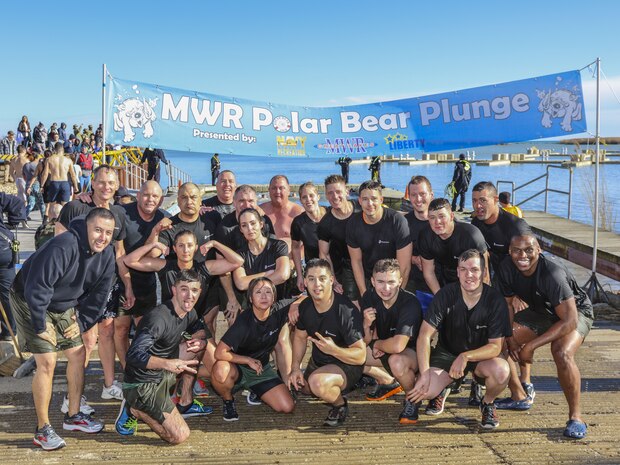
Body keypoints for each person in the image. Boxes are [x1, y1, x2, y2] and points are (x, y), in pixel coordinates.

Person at [10, 208, 116, 450]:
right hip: (30, 298)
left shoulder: (107, 254)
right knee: (47, 361)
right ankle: (42, 429)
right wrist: (39, 324)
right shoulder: (65, 245)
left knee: (78, 353)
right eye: (98, 230)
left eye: (108, 232)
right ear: (87, 227)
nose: (102, 237)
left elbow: (99, 296)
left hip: (63, 302)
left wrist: (81, 323)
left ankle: (73, 415)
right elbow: (38, 286)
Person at [124, 230, 243, 413]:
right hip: (170, 328)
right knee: (174, 359)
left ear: (196, 247)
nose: (185, 249)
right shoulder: (166, 266)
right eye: (180, 245)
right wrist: (154, 245)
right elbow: (129, 261)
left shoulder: (204, 267)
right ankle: (163, 394)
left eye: (189, 245)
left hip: (195, 326)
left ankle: (186, 399)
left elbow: (237, 262)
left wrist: (215, 244)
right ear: (174, 248)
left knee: (223, 374)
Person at [496, 234, 594, 439]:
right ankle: (518, 396)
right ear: (509, 251)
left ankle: (576, 417)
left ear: (538, 250)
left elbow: (569, 321)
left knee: (561, 352)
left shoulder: (552, 274)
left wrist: (530, 346)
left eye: (529, 250)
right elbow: (506, 305)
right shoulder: (506, 266)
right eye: (516, 250)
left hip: (575, 312)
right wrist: (511, 339)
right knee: (500, 340)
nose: (522, 255)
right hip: (542, 311)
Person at [407, 249, 511, 429]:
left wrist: (465, 356)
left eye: (474, 270)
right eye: (463, 269)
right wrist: (424, 374)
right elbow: (424, 335)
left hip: (480, 357)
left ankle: (487, 403)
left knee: (502, 371)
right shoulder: (445, 294)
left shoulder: (495, 300)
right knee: (426, 390)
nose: (468, 275)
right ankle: (443, 388)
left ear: (484, 272)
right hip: (447, 353)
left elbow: (495, 347)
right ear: (457, 272)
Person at [56, 165, 130, 403]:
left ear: (116, 186)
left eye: (110, 183)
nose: (106, 187)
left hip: (108, 282)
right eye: (101, 182)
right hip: (81, 283)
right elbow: (59, 241)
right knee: (86, 338)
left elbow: (119, 252)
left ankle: (109, 385)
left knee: (107, 331)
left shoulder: (118, 213)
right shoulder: (77, 207)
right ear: (92, 183)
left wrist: (127, 284)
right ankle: (73, 396)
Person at [114, 270, 209, 444]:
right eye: (184, 289)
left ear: (200, 292)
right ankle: (134, 409)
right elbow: (133, 355)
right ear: (174, 290)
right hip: (142, 383)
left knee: (197, 349)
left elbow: (200, 330)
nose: (190, 295)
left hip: (163, 373)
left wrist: (201, 342)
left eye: (194, 290)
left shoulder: (189, 312)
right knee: (179, 436)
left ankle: (185, 400)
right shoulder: (158, 318)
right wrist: (167, 364)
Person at [288, 259, 366, 427]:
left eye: (322, 278)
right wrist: (295, 367)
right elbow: (300, 337)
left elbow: (360, 356)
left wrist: (334, 350)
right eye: (311, 279)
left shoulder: (346, 311)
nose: (317, 284)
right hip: (319, 363)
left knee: (318, 384)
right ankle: (375, 376)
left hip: (347, 364)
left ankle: (340, 405)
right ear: (305, 283)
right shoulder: (306, 306)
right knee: (302, 386)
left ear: (331, 280)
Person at [211, 277, 298, 421]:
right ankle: (228, 400)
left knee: (287, 407)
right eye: (258, 292)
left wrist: (295, 305)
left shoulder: (279, 310)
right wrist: (247, 360)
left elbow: (305, 297)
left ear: (274, 297)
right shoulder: (243, 322)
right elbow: (219, 352)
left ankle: (257, 391)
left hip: (260, 369)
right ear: (251, 298)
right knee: (220, 371)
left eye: (268, 292)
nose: (264, 296)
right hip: (237, 367)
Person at [361, 259, 422, 423]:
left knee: (396, 361)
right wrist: (366, 325)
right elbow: (365, 340)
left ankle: (412, 398)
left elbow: (398, 345)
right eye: (380, 282)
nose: (386, 288)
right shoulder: (369, 297)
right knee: (350, 353)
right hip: (383, 348)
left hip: (413, 355)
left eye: (391, 282)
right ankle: (386, 381)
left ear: (400, 282)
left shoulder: (410, 303)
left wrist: (378, 344)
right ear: (373, 281)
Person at [214, 185, 276, 327]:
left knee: (266, 328)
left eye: (250, 201)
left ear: (256, 202)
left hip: (260, 277)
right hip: (233, 284)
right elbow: (222, 269)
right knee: (237, 327)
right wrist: (231, 298)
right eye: (241, 201)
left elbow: (272, 252)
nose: (246, 205)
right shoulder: (225, 228)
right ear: (234, 202)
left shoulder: (264, 222)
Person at [346, 180, 412, 297]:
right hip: (369, 277)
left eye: (374, 199)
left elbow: (405, 266)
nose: (370, 203)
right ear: (359, 201)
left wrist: (397, 295)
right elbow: (356, 262)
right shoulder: (353, 224)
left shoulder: (397, 221)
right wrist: (363, 293)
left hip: (393, 279)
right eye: (365, 199)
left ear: (381, 200)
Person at [418, 198, 489, 294]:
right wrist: (441, 297)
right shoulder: (425, 236)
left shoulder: (471, 236)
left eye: (441, 216)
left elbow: (484, 274)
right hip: (444, 275)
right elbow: (428, 272)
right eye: (432, 217)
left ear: (451, 216)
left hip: (471, 277)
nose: (437, 222)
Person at [471, 182, 531, 277]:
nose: (477, 206)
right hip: (490, 274)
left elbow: (533, 260)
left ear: (496, 200)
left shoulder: (516, 226)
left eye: (483, 200)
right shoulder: (475, 224)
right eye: (474, 201)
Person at [317, 174, 361, 303]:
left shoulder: (361, 209)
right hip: (345, 270)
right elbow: (323, 255)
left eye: (338, 192)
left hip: (369, 264)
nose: (335, 197)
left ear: (346, 192)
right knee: (353, 306)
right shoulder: (325, 224)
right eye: (330, 193)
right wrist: (334, 281)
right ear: (326, 195)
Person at [232, 208, 291, 304]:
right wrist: (266, 274)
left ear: (261, 224)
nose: (249, 228)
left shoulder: (278, 246)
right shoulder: (239, 255)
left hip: (280, 303)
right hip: (254, 307)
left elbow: (283, 275)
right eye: (244, 225)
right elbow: (241, 284)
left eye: (253, 223)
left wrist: (252, 282)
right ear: (241, 229)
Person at [149, 182, 217, 264]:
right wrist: (155, 231)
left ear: (200, 201)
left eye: (193, 197)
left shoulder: (211, 222)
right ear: (178, 201)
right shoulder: (169, 227)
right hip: (179, 275)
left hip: (207, 274)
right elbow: (152, 254)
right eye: (184, 197)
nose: (189, 202)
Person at [403, 175, 435, 312]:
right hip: (414, 284)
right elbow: (392, 251)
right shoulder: (403, 223)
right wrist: (413, 258)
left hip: (442, 282)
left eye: (422, 194)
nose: (418, 199)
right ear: (409, 197)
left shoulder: (442, 221)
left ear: (431, 195)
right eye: (414, 195)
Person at [291, 182, 326, 292]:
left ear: (318, 197)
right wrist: (300, 276)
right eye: (304, 197)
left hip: (338, 269)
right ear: (300, 201)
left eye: (311, 195)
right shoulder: (298, 223)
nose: (308, 199)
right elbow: (295, 248)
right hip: (313, 270)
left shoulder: (330, 215)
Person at [0, 193, 26, 341]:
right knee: (6, 294)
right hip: (3, 249)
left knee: (7, 293)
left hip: (3, 251)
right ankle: (10, 331)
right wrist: (12, 222)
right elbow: (17, 203)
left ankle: (9, 331)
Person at [261, 174, 304, 254]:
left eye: (281, 188)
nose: (277, 192)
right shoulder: (260, 211)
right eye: (274, 188)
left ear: (289, 190)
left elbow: (307, 242)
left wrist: (294, 261)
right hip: (265, 261)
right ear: (269, 190)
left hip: (292, 260)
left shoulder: (299, 213)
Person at [23, 152, 46, 222]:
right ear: (36, 157)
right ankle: (44, 219)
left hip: (28, 184)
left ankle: (23, 216)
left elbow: (23, 175)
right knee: (42, 203)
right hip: (37, 184)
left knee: (31, 204)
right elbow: (41, 175)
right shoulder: (37, 165)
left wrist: (28, 183)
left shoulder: (25, 165)